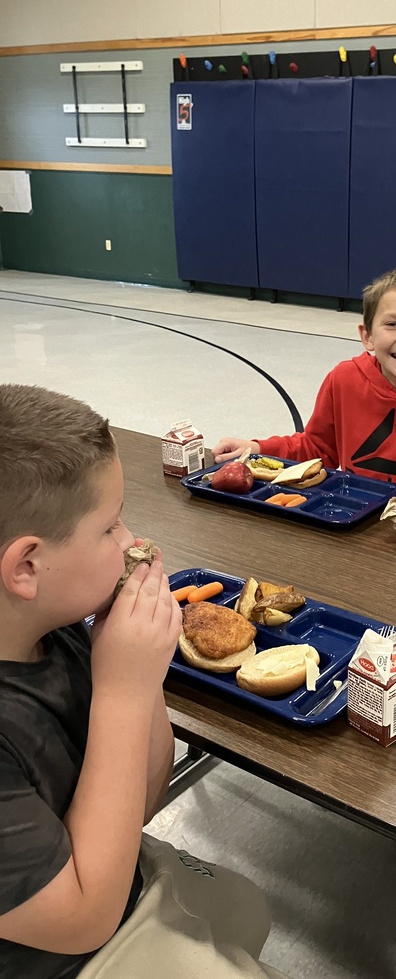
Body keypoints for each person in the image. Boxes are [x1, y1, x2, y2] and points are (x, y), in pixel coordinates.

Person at [0, 384, 291, 979]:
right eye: (109, 528)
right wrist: (124, 692)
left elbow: (143, 800)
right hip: (59, 949)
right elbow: (82, 921)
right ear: (26, 566)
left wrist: (140, 669)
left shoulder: (59, 626)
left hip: (108, 873)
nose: (131, 541)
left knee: (247, 910)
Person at [213, 265, 396, 509]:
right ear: (367, 336)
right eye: (393, 324)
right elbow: (317, 448)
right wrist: (258, 447)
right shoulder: (343, 379)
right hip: (353, 518)